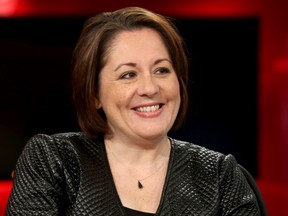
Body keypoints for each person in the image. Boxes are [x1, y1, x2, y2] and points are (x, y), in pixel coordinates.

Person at [6, 7, 263, 215]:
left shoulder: (220, 175)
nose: (150, 88)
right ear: (94, 94)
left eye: (162, 70)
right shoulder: (53, 161)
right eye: (128, 74)